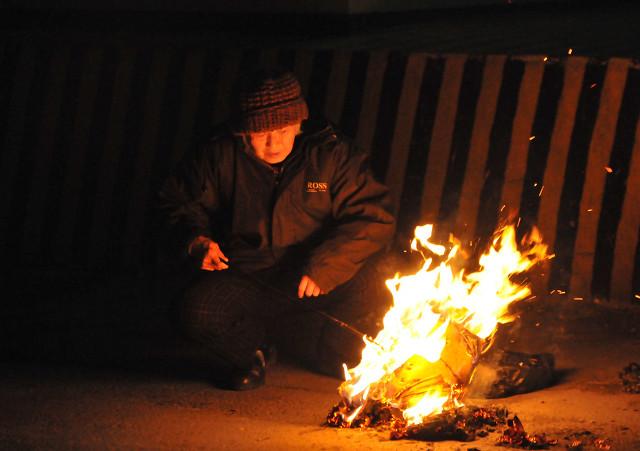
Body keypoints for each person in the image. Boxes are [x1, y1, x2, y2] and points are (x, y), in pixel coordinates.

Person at [157, 68, 395, 390]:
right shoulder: (219, 153)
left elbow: (373, 216)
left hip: (313, 275)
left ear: (298, 123)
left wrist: (328, 265)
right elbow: (179, 201)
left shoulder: (330, 154)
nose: (274, 143)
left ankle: (332, 353)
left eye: (283, 130)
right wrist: (195, 240)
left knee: (376, 281)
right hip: (248, 275)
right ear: (244, 132)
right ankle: (252, 352)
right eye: (261, 133)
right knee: (195, 311)